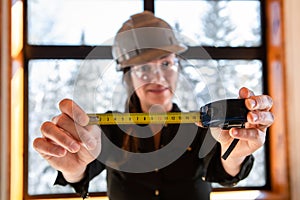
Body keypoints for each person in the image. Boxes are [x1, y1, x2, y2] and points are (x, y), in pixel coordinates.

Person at [33, 11, 274, 200]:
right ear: (128, 76)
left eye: (166, 64)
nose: (157, 76)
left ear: (178, 68)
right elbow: (80, 169)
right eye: (144, 67)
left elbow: (224, 171)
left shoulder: (204, 126)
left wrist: (235, 155)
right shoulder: (109, 130)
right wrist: (72, 169)